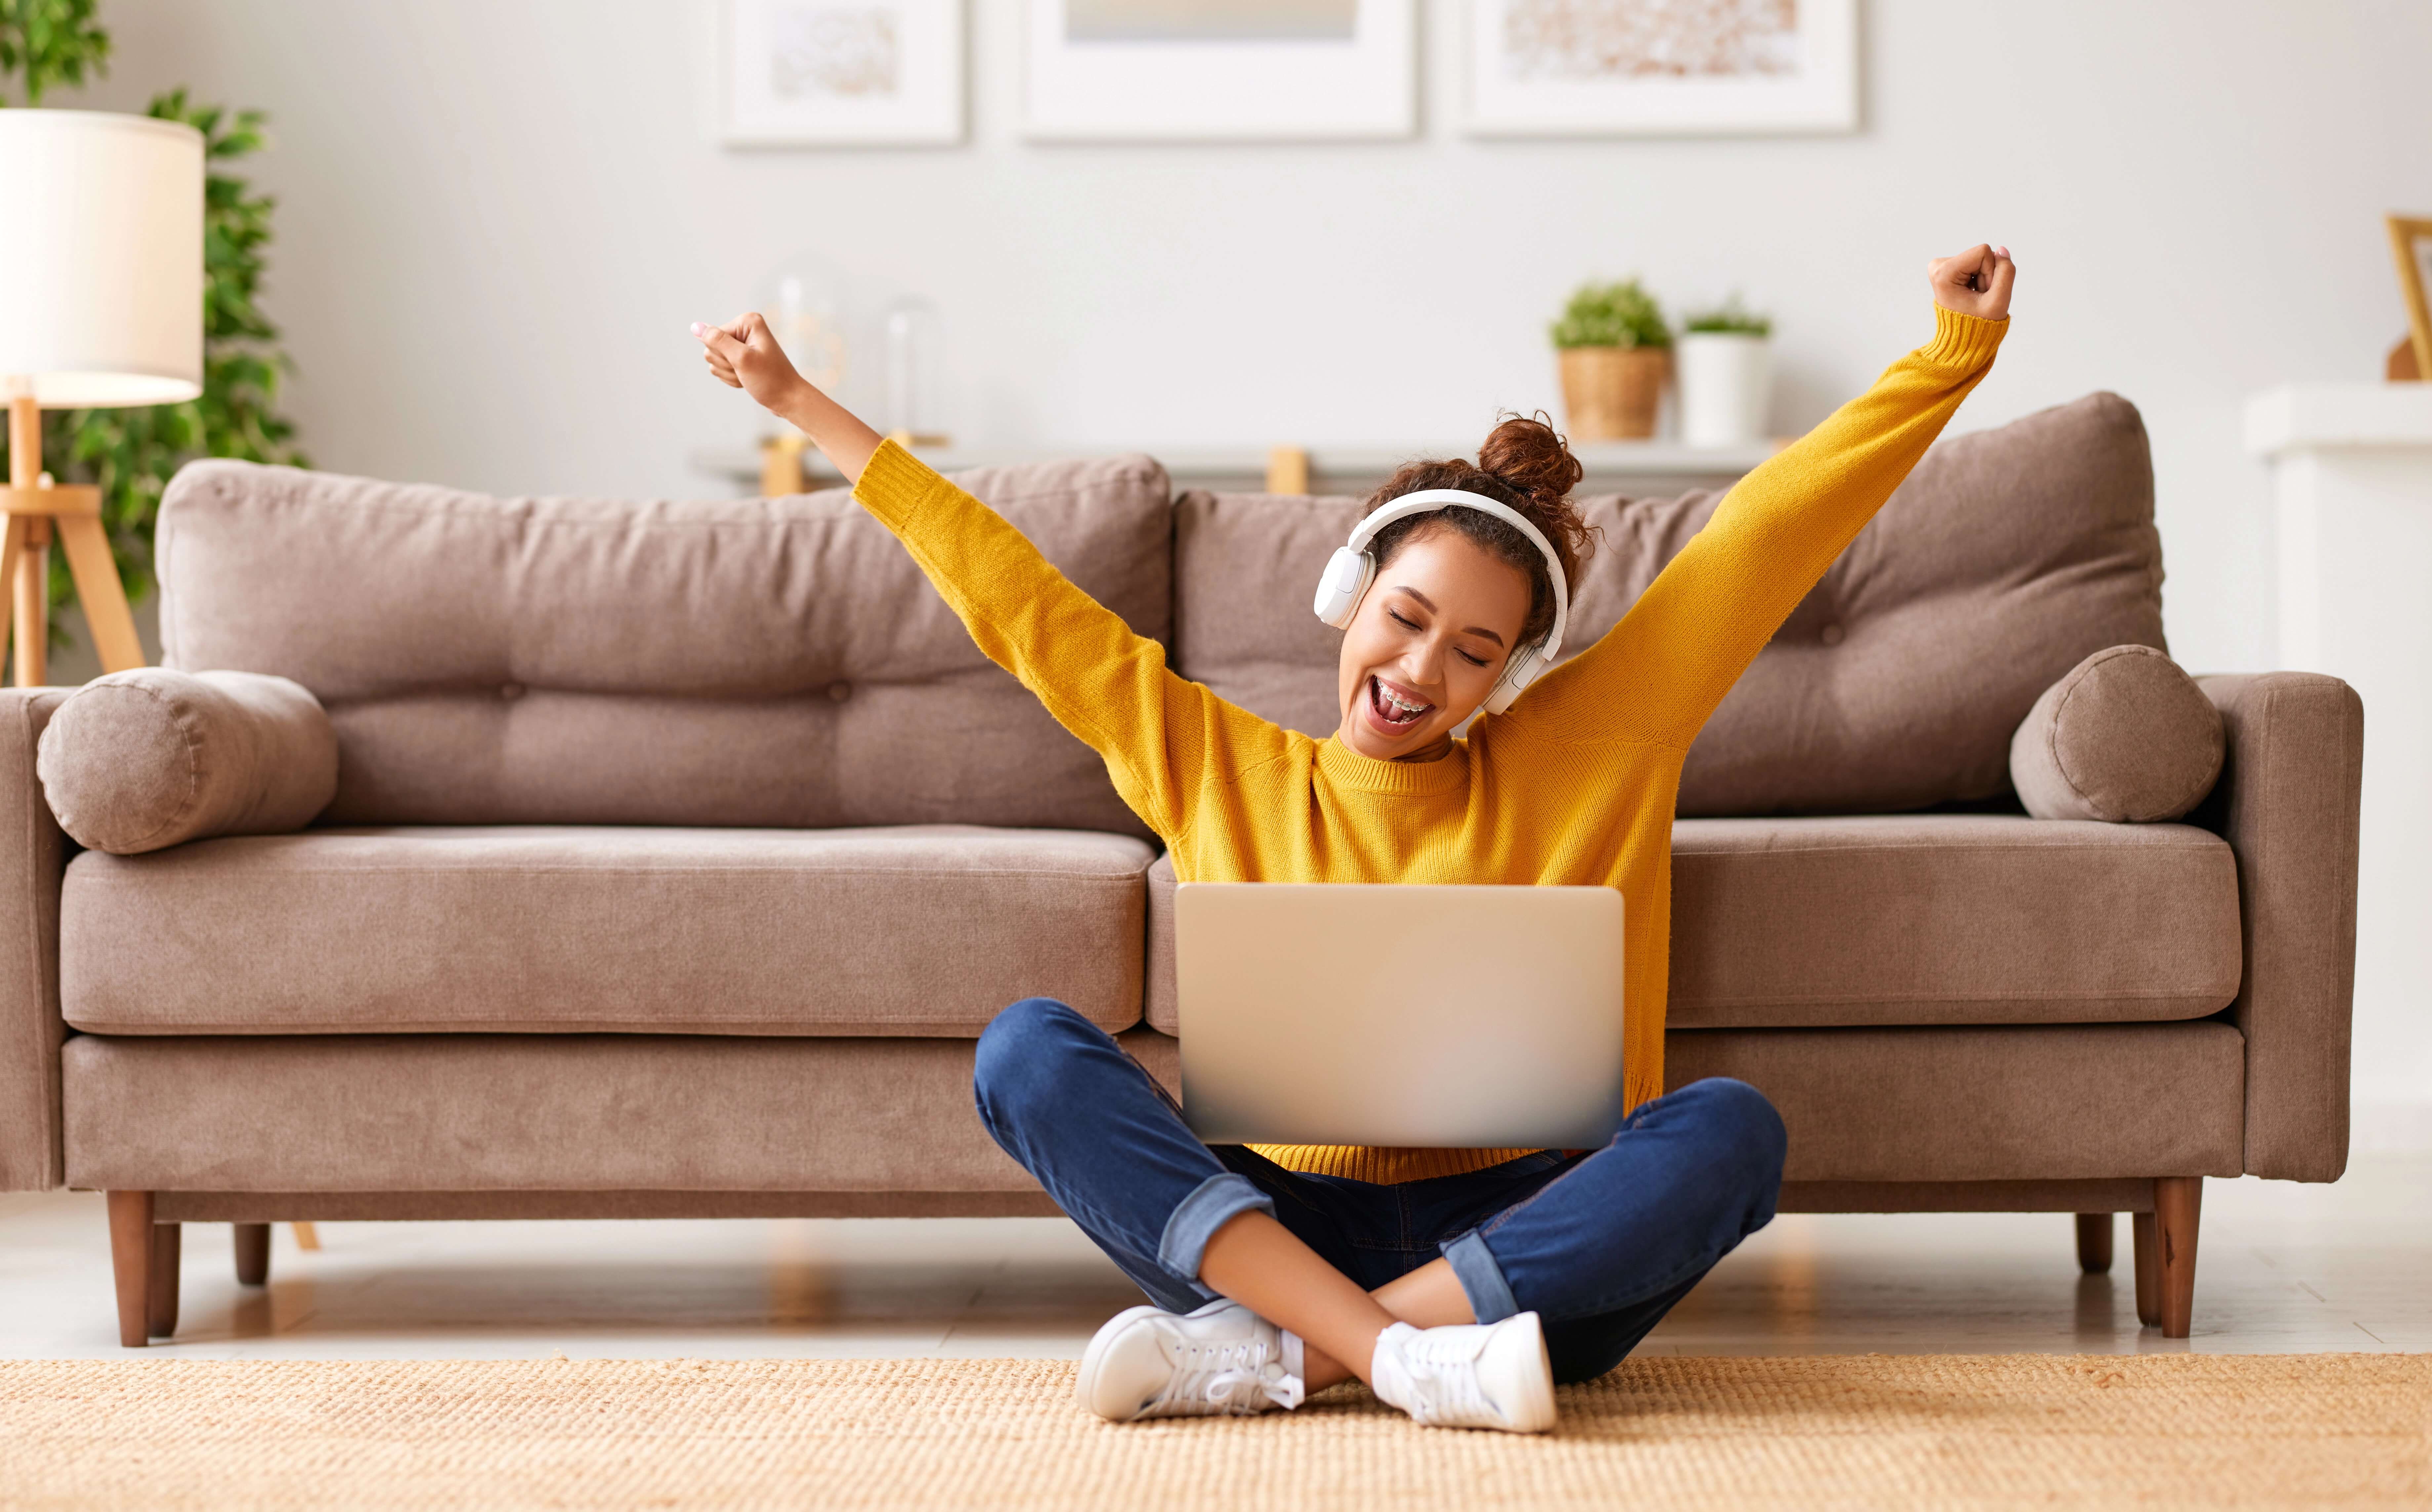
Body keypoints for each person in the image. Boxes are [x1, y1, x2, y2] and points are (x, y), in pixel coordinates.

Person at [693, 244, 2014, 1434]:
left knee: (1731, 1132)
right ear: (1349, 596)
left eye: (1474, 650)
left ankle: (1286, 1353)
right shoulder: (1216, 761)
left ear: (1510, 673)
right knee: (1024, 1050)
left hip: (1531, 1235)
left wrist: (1949, 357)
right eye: (1405, 615)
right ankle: (1402, 1354)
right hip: (1284, 1223)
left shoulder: (1595, 746)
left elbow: (1766, 535)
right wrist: (806, 410)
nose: (1420, 668)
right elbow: (1015, 600)